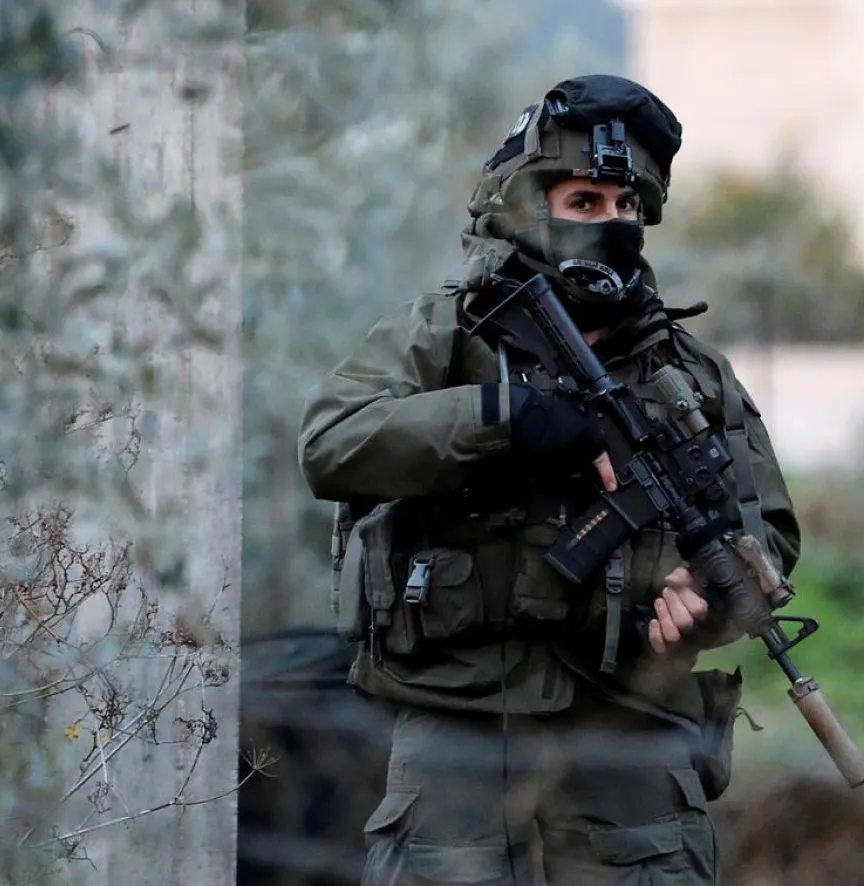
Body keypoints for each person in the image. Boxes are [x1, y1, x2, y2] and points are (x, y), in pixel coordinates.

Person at [297, 73, 801, 886]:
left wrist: (706, 595)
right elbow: (332, 442)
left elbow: (765, 528)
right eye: (584, 202)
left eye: (626, 205)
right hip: (460, 721)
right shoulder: (445, 335)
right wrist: (502, 418)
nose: (611, 223)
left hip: (629, 726)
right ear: (526, 207)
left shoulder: (689, 374)